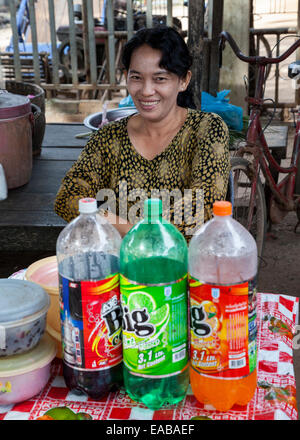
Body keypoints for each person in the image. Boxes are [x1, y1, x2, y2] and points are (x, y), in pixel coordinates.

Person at [54, 26, 230, 240]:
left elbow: (204, 203)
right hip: (124, 267)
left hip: (185, 265)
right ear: (127, 77)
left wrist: (121, 228)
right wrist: (132, 233)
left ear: (183, 80)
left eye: (160, 79)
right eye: (137, 77)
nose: (146, 90)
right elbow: (68, 197)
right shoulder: (109, 137)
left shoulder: (207, 129)